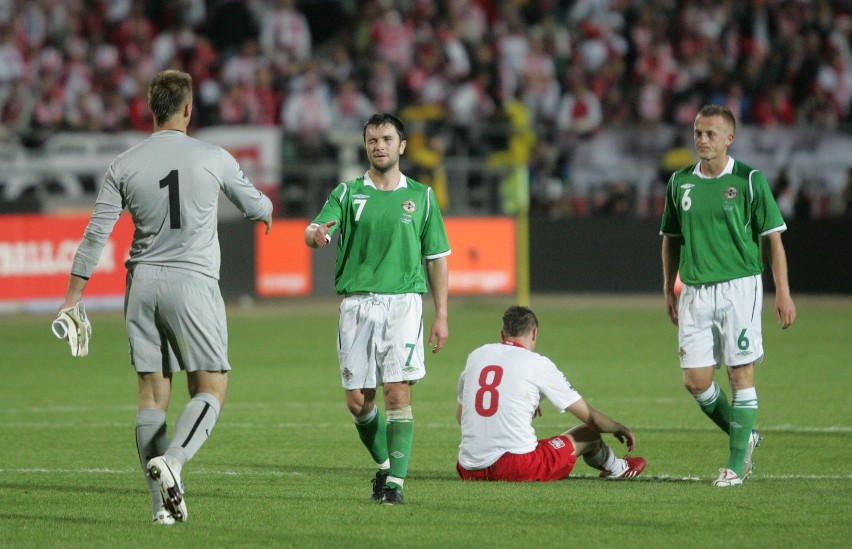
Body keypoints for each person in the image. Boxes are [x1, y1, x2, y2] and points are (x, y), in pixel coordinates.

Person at [58, 69, 273, 524]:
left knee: (152, 396)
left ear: (150, 110)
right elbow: (257, 205)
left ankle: (163, 510)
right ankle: (173, 462)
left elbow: (96, 234)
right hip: (192, 282)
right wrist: (268, 212)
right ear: (189, 109)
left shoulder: (124, 163)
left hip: (141, 286)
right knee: (211, 386)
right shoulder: (213, 156)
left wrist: (73, 297)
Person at [304, 113, 450, 505]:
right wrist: (317, 235)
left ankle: (397, 486)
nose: (379, 145)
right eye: (372, 140)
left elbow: (436, 258)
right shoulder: (349, 192)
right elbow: (315, 229)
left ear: (402, 146)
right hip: (356, 305)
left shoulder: (421, 196)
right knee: (358, 401)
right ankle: (385, 465)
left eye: (387, 138)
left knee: (397, 392)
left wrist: (442, 315)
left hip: (404, 305)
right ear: (366, 146)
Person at [660, 104, 796, 487]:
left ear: (729, 139)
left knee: (740, 373)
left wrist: (782, 293)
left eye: (710, 134)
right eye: (698, 133)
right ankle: (746, 435)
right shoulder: (679, 182)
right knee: (695, 380)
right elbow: (671, 240)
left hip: (740, 287)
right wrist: (669, 288)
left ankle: (736, 465)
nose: (702, 140)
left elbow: (774, 241)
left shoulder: (750, 180)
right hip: (695, 291)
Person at [456, 305, 647, 482]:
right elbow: (594, 419)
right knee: (589, 433)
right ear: (534, 333)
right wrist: (619, 428)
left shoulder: (477, 355)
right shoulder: (537, 363)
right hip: (517, 467)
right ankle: (618, 467)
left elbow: (461, 417)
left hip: (468, 468)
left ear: (502, 334)